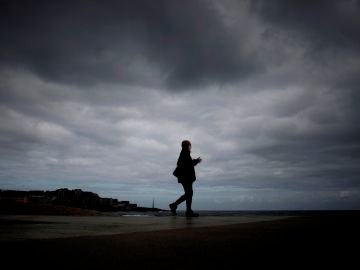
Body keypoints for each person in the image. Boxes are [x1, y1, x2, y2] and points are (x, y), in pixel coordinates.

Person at [169, 140, 202, 217]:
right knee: (189, 194)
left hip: (185, 177)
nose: (190, 147)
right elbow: (184, 164)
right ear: (187, 145)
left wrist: (194, 161)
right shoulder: (185, 153)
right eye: (189, 145)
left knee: (189, 194)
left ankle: (178, 207)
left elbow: (187, 164)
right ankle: (186, 211)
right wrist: (196, 161)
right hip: (186, 177)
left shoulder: (185, 153)